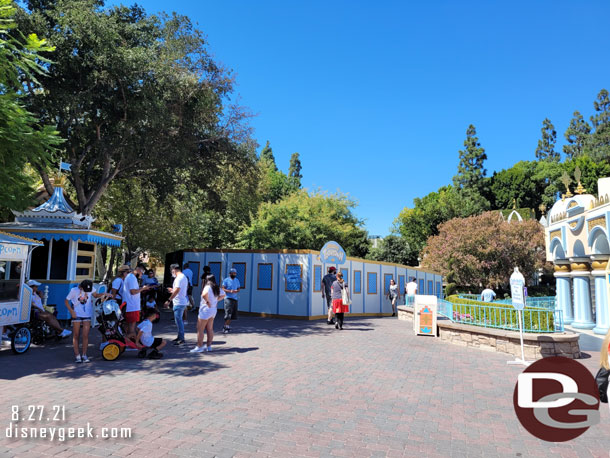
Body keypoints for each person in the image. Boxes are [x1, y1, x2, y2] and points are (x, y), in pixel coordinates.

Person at [64, 280, 108, 363]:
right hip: (76, 314)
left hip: (87, 314)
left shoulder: (90, 288)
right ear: (81, 287)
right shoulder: (74, 290)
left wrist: (104, 294)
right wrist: (71, 311)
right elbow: (66, 301)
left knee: (85, 335)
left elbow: (95, 295)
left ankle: (84, 354)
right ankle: (77, 355)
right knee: (76, 335)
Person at [191, 274, 226, 353]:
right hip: (213, 310)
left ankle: (199, 346)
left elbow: (204, 294)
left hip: (205, 310)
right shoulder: (216, 287)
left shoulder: (207, 287)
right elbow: (224, 294)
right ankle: (209, 346)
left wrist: (207, 301)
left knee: (200, 329)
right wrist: (216, 300)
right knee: (210, 328)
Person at [124, 265, 151, 339]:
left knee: (129, 325)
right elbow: (133, 292)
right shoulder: (132, 278)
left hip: (130, 305)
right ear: (139, 270)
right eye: (142, 273)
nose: (142, 275)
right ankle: (128, 339)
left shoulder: (130, 277)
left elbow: (134, 290)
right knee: (132, 326)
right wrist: (143, 288)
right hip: (132, 306)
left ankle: (128, 341)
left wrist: (142, 288)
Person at [164, 263, 188, 345]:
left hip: (179, 302)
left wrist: (169, 300)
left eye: (171, 271)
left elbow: (177, 290)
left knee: (179, 321)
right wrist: (172, 290)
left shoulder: (178, 278)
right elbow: (178, 289)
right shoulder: (183, 277)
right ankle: (180, 336)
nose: (172, 273)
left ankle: (181, 338)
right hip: (181, 301)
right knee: (178, 320)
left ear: (173, 270)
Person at [221, 268, 240, 334]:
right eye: (233, 273)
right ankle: (225, 327)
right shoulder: (226, 280)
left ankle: (227, 326)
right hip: (228, 298)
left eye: (235, 273)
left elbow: (238, 288)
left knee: (232, 314)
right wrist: (229, 291)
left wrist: (236, 291)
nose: (234, 274)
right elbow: (223, 288)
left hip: (235, 298)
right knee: (228, 313)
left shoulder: (237, 280)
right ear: (230, 273)